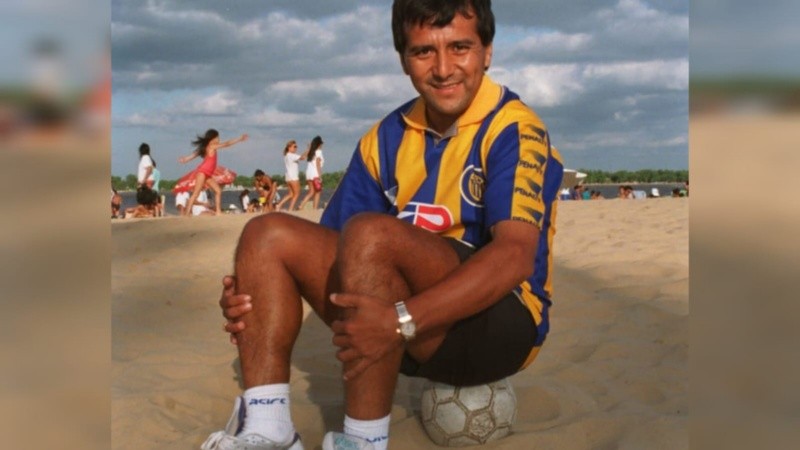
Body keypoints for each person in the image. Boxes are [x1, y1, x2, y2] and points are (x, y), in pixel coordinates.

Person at [204, 1, 563, 449]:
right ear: (402, 60)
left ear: (487, 51)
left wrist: (400, 322)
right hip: (400, 326)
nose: (444, 68)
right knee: (266, 234)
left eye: (460, 47)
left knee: (373, 234)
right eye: (423, 52)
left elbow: (513, 257)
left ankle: (363, 441)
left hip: (498, 326)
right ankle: (267, 429)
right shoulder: (385, 137)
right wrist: (254, 292)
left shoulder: (515, 128)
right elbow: (332, 248)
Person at [179, 129, 248, 216]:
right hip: (202, 172)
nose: (219, 139)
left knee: (218, 191)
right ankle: (187, 213)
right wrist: (239, 139)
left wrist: (186, 159)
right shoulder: (212, 146)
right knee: (196, 193)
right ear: (213, 138)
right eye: (217, 137)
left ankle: (218, 212)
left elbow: (196, 153)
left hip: (207, 175)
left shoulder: (207, 146)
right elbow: (227, 144)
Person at [275, 140, 309, 211]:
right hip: (293, 177)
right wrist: (308, 149)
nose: (296, 148)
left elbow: (301, 157)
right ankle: (290, 208)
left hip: (288, 177)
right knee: (297, 194)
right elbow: (302, 158)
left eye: (296, 147)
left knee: (290, 194)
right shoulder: (291, 155)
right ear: (289, 147)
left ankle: (279, 205)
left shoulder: (287, 156)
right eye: (294, 147)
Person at [296, 136, 325, 211]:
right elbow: (318, 163)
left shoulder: (311, 152)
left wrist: (308, 148)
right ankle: (315, 208)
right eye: (321, 144)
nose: (322, 146)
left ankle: (301, 206)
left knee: (311, 192)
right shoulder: (318, 152)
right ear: (319, 144)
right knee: (318, 192)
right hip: (315, 174)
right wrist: (320, 175)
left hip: (309, 174)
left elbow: (302, 157)